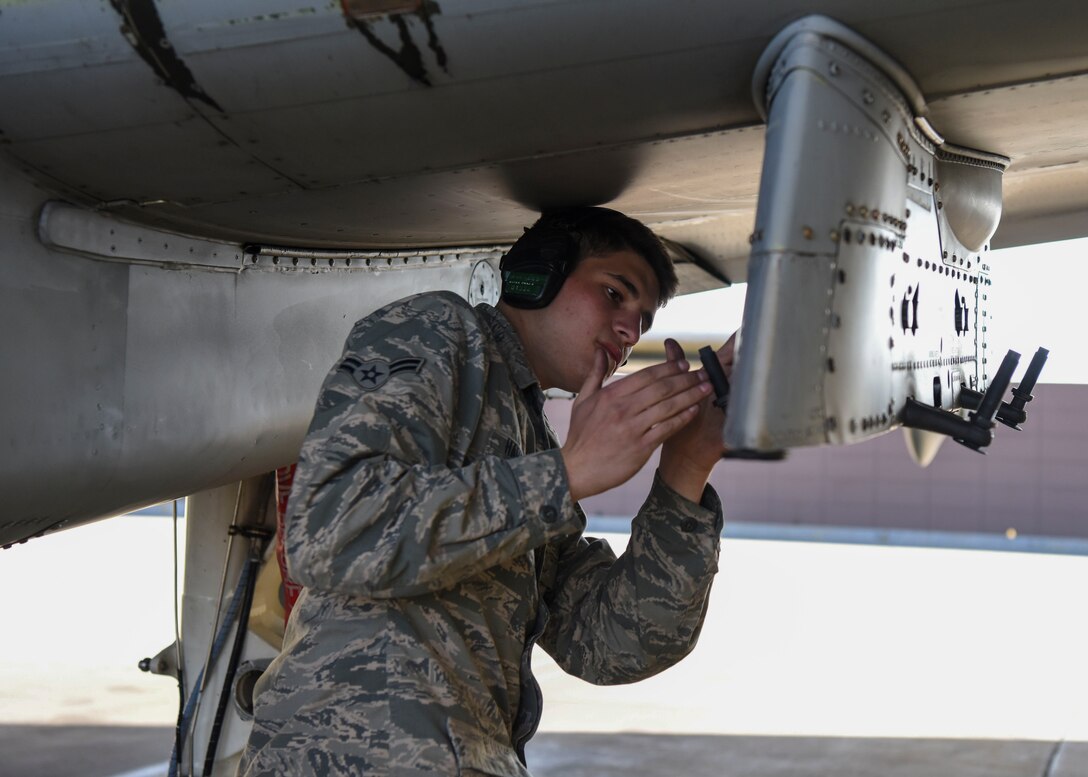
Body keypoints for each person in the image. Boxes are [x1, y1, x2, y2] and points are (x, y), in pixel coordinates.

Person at [239, 207, 733, 776]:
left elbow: (612, 642)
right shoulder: (439, 331)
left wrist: (686, 469)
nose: (629, 331)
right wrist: (566, 474)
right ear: (537, 272)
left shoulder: (533, 437)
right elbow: (329, 531)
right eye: (614, 293)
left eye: (643, 321)